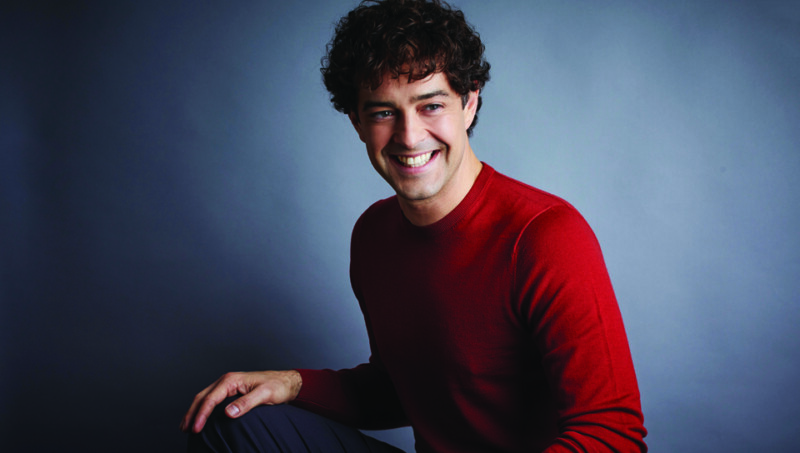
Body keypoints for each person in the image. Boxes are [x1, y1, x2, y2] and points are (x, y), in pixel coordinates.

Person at [181, 0, 648, 451]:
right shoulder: (373, 234)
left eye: (431, 106)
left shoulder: (546, 236)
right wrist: (292, 384)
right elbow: (402, 391)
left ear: (469, 103)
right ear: (357, 122)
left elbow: (614, 436)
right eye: (384, 112)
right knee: (233, 421)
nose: (409, 136)